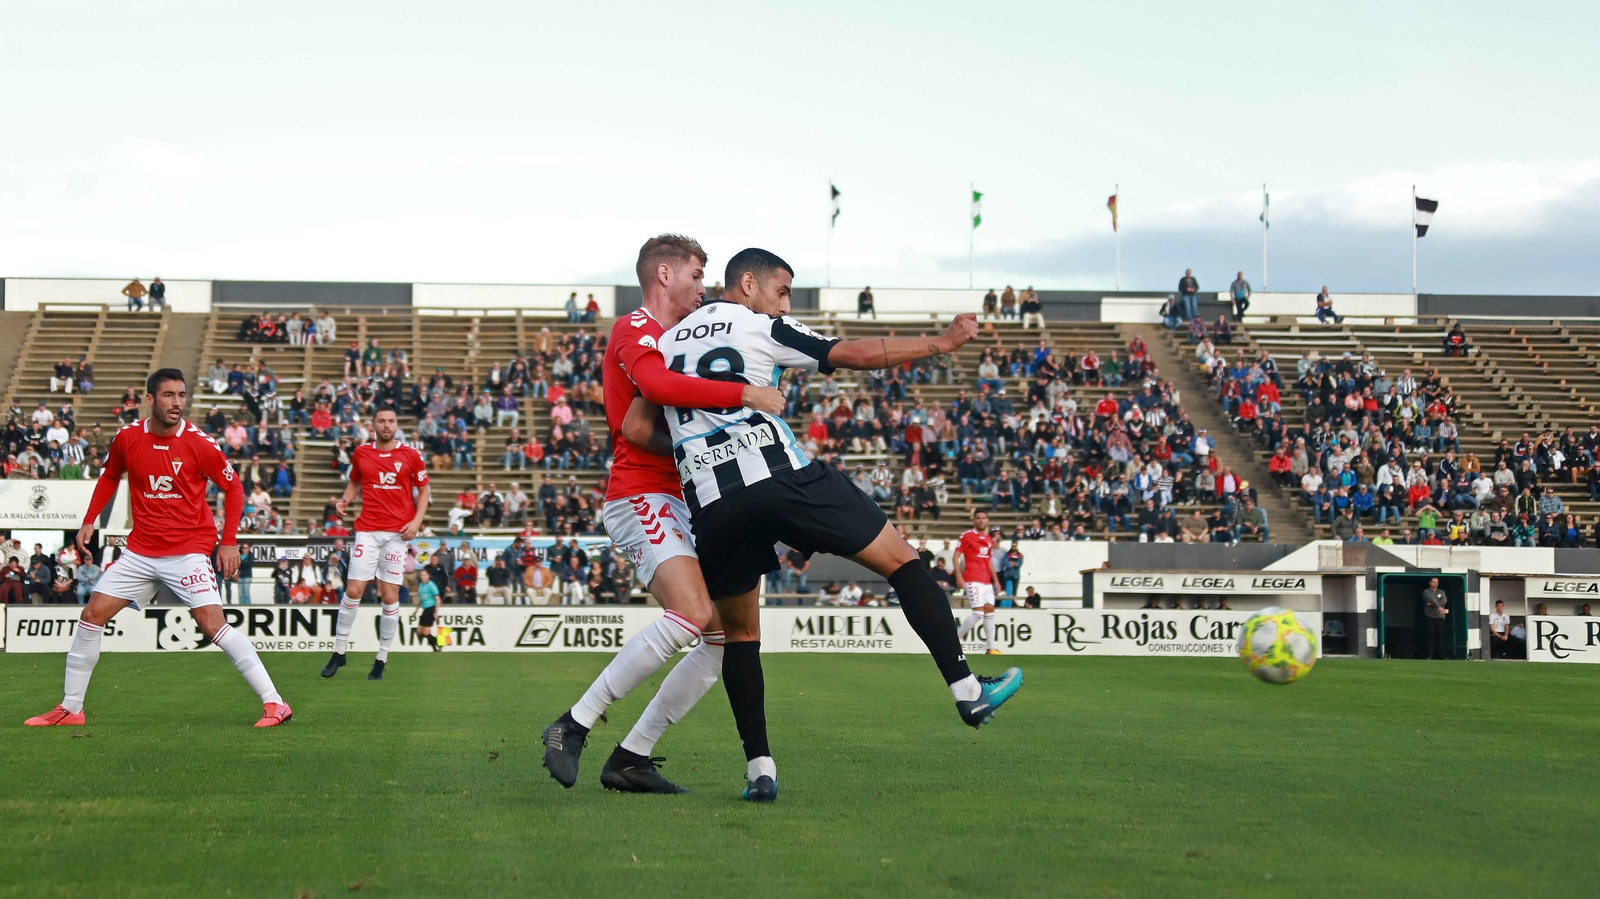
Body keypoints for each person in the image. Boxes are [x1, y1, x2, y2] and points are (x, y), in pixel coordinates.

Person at [632, 246, 1023, 802]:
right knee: (902, 560)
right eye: (782, 291)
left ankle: (759, 771)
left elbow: (636, 425)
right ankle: (966, 689)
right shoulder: (760, 323)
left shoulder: (667, 342)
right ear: (748, 284)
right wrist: (941, 342)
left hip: (711, 502)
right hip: (778, 476)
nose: (785, 302)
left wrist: (701, 448)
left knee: (740, 635)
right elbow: (855, 353)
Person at [541, 235, 787, 796]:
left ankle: (632, 756)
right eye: (698, 275)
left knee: (720, 636)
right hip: (641, 495)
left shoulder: (681, 340)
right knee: (694, 613)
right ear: (666, 274)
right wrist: (743, 397)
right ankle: (573, 724)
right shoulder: (636, 329)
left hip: (688, 499)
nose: (704, 287)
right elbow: (651, 394)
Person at [24, 368, 292, 729]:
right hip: (141, 551)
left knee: (212, 625)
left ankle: (275, 704)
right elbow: (109, 476)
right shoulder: (128, 437)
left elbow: (234, 489)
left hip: (188, 550)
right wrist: (89, 519)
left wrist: (228, 541)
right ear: (150, 400)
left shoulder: (199, 443)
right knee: (91, 615)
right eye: (169, 395)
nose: (177, 403)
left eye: (181, 395)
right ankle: (71, 708)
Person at [320, 408, 431, 682]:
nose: (386, 425)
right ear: (373, 425)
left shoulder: (411, 455)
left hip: (396, 534)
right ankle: (339, 651)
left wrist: (417, 521)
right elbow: (355, 481)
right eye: (381, 421)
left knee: (390, 597)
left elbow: (424, 491)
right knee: (354, 589)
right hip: (367, 531)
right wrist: (345, 500)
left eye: (391, 421)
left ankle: (381, 659)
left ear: (396, 425)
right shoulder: (362, 453)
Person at [953, 510, 1000, 655]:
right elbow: (956, 557)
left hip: (986, 582)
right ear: (974, 520)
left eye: (983, 518)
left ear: (988, 520)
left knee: (989, 612)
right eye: (978, 518)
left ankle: (991, 648)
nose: (981, 521)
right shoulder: (967, 536)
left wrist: (996, 580)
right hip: (973, 579)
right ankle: (955, 642)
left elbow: (989, 561)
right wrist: (959, 576)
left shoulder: (988, 539)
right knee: (978, 613)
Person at [1422, 576, 1450, 660]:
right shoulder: (1426, 592)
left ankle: (1441, 655)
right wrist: (1438, 606)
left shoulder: (1441, 592)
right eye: (1434, 582)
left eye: (1437, 582)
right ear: (1430, 583)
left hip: (1440, 617)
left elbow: (1444, 600)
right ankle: (1430, 655)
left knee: (1440, 636)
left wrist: (1434, 604)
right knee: (1430, 636)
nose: (1435, 584)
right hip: (1430, 616)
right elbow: (1430, 599)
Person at [416, 568, 440, 650]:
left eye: (424, 575)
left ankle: (436, 646)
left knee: (426, 631)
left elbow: (438, 599)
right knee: (419, 631)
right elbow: (421, 599)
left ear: (428, 576)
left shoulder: (431, 585)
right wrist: (416, 610)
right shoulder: (421, 586)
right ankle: (437, 643)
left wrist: (435, 612)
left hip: (430, 609)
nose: (422, 577)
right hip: (425, 609)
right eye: (421, 576)